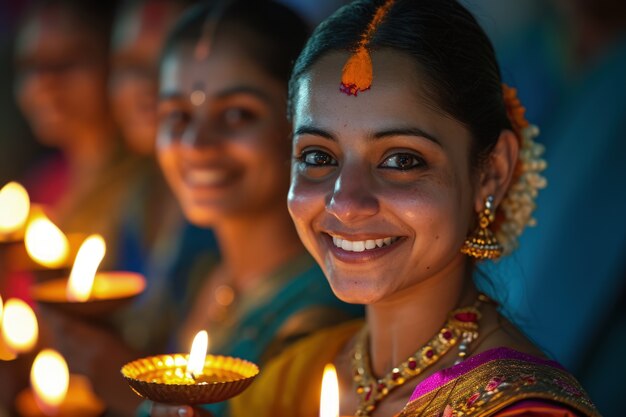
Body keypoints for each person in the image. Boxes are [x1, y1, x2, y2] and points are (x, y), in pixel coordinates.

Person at [152, 0, 601, 416]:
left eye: (401, 160)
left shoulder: (523, 410)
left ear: (491, 173)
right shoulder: (289, 378)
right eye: (317, 157)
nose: (345, 202)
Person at [140, 1, 364, 416]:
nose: (195, 144)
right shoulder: (206, 272)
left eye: (237, 114)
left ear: (302, 125)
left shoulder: (324, 315)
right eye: (177, 115)